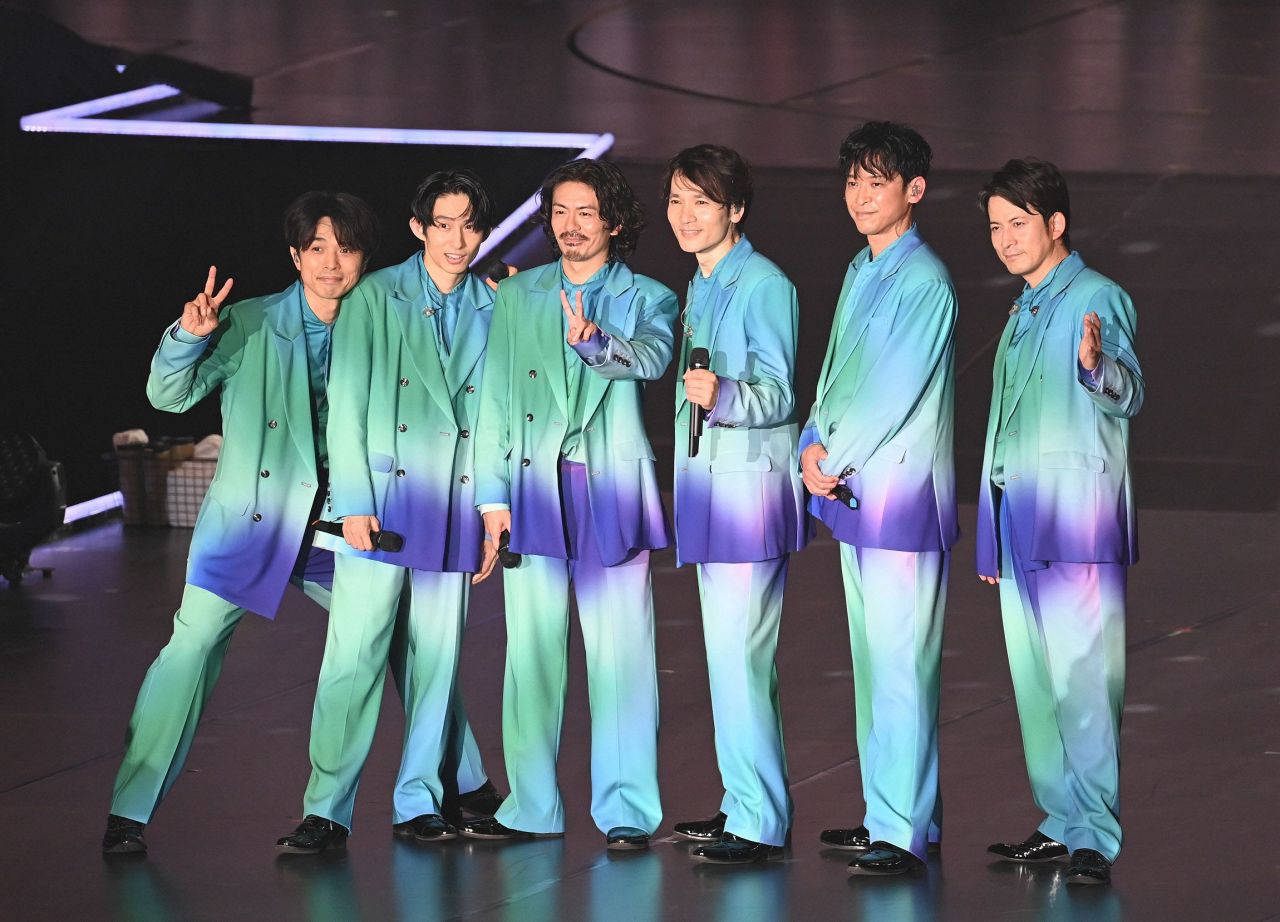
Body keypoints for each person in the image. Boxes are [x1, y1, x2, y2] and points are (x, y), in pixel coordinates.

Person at [102, 191, 380, 854]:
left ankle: (354, 810)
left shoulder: (382, 325)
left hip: (339, 524)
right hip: (250, 519)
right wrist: (188, 338)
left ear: (365, 258)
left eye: (345, 249)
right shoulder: (251, 322)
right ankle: (129, 811)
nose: (331, 263)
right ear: (295, 256)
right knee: (189, 650)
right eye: (317, 248)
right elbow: (167, 396)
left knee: (395, 646)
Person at [275, 171, 508, 855]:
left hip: (453, 502)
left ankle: (420, 801)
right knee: (352, 661)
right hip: (378, 504)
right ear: (418, 228)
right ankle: (325, 810)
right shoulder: (375, 296)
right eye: (444, 224)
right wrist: (352, 503)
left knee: (436, 663)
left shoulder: (495, 307)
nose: (457, 239)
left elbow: (495, 420)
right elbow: (345, 407)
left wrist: (493, 507)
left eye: (470, 225)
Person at [462, 158, 677, 851]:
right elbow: (494, 402)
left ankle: (627, 810)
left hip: (608, 486)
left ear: (613, 220)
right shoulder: (518, 295)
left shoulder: (649, 296)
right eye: (559, 212)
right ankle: (530, 805)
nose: (570, 225)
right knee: (529, 653)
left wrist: (593, 341)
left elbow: (653, 359)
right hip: (531, 490)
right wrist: (490, 497)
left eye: (586, 212)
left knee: (623, 655)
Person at [978, 157, 1143, 886]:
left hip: (1076, 521)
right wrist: (992, 528)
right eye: (995, 227)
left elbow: (1129, 392)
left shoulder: (1097, 296)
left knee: (1085, 684)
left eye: (1018, 223)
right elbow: (1001, 425)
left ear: (1056, 224)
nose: (1005, 239)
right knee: (1037, 685)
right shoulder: (1023, 306)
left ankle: (1094, 836)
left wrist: (1096, 367)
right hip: (1019, 517)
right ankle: (1059, 821)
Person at [799, 121, 958, 876]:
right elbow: (836, 374)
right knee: (875, 668)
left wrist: (828, 458)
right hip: (857, 492)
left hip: (897, 497)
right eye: (853, 181)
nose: (860, 196)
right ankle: (889, 815)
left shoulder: (923, 280)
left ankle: (903, 828)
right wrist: (810, 440)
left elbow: (893, 390)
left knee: (900, 670)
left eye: (877, 182)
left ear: (913, 190)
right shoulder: (864, 267)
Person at [662, 144, 807, 865]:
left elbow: (779, 393)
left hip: (748, 496)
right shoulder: (703, 279)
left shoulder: (764, 284)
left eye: (702, 202)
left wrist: (722, 396)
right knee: (726, 660)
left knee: (743, 660)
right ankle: (743, 802)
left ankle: (760, 819)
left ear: (736, 209)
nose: (686, 216)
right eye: (677, 200)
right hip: (710, 493)